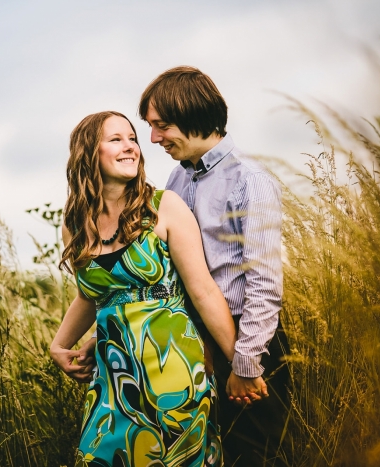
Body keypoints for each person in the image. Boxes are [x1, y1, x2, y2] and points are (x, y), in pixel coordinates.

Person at [50, 110, 238, 466]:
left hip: (175, 373)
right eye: (116, 139)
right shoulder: (74, 224)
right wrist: (59, 345)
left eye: (132, 139)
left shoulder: (164, 207)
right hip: (112, 380)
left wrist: (242, 367)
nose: (131, 147)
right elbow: (91, 296)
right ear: (89, 152)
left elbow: (204, 292)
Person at [139, 66, 290, 466]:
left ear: (192, 115)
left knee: (256, 455)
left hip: (248, 337)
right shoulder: (177, 179)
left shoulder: (249, 180)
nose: (153, 138)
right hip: (195, 338)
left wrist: (245, 361)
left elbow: (263, 283)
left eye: (162, 125)